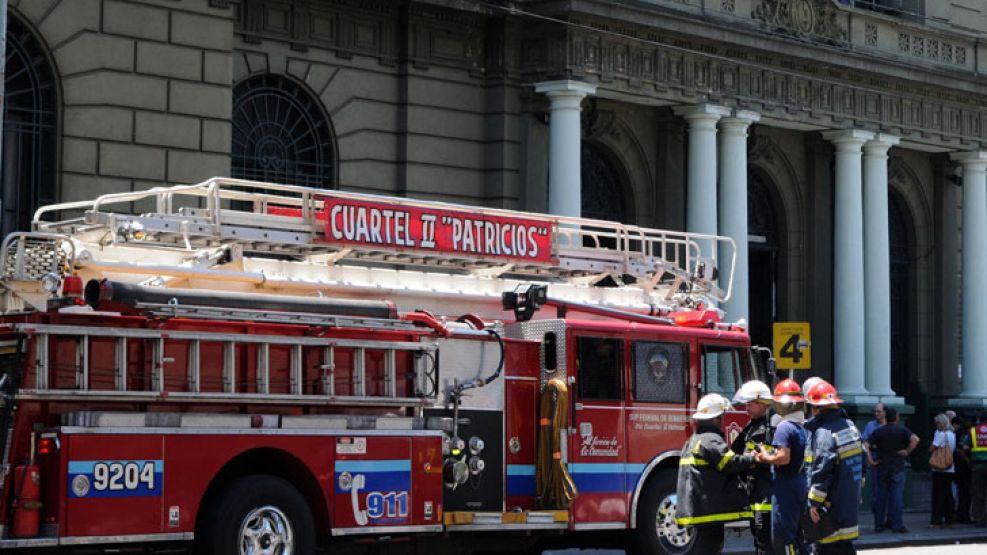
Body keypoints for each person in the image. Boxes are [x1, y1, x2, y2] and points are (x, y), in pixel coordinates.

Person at [675, 393, 757, 552]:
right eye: (722, 417)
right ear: (716, 419)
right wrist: (752, 459)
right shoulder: (711, 439)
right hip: (709, 510)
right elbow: (730, 463)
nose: (723, 421)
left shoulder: (693, 440)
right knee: (710, 548)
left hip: (700, 509)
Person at [804, 380, 863, 554]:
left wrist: (814, 503)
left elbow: (822, 470)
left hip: (830, 507)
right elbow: (863, 464)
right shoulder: (851, 427)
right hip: (848, 500)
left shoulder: (824, 433)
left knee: (828, 547)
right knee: (844, 546)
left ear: (816, 408)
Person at [755, 378, 807, 555]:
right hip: (800, 484)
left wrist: (764, 457)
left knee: (783, 538)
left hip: (785, 487)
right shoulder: (801, 427)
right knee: (799, 536)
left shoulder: (784, 427)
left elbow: (783, 458)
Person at [732, 379, 775, 555]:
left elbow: (772, 457)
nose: (746, 408)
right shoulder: (752, 426)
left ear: (762, 403)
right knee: (758, 539)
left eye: (750, 404)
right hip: (755, 492)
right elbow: (735, 452)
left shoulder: (771, 426)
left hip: (766, 494)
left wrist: (755, 459)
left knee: (765, 540)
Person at [865, 407, 918, 533]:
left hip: (882, 467)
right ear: (897, 418)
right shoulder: (902, 430)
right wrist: (907, 451)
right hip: (897, 467)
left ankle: (879, 525)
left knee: (880, 498)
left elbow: (865, 445)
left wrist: (871, 461)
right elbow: (915, 439)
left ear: (885, 417)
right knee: (896, 497)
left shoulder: (879, 431)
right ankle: (896, 524)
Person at [861, 403, 887, 524]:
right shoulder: (870, 425)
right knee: (877, 492)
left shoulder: (889, 425)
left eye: (879, 411)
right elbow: (865, 443)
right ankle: (879, 521)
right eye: (875, 411)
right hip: (875, 461)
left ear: (885, 412)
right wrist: (870, 460)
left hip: (888, 461)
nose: (876, 414)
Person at [929, 413, 955, 528]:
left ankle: (936, 520)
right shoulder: (951, 434)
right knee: (948, 494)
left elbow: (932, 448)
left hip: (939, 468)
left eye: (937, 423)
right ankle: (949, 519)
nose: (936, 425)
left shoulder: (940, 434)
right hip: (950, 467)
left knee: (937, 495)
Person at [962, 414, 987, 527]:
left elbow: (965, 448)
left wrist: (969, 460)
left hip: (977, 466)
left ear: (979, 420)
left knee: (978, 493)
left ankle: (980, 519)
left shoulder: (973, 431)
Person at [953, 415, 973, 523]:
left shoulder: (959, 433)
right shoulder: (965, 433)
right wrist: (968, 461)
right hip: (964, 467)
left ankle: (962, 514)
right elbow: (960, 451)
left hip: (960, 467)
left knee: (963, 493)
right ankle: (963, 515)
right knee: (965, 493)